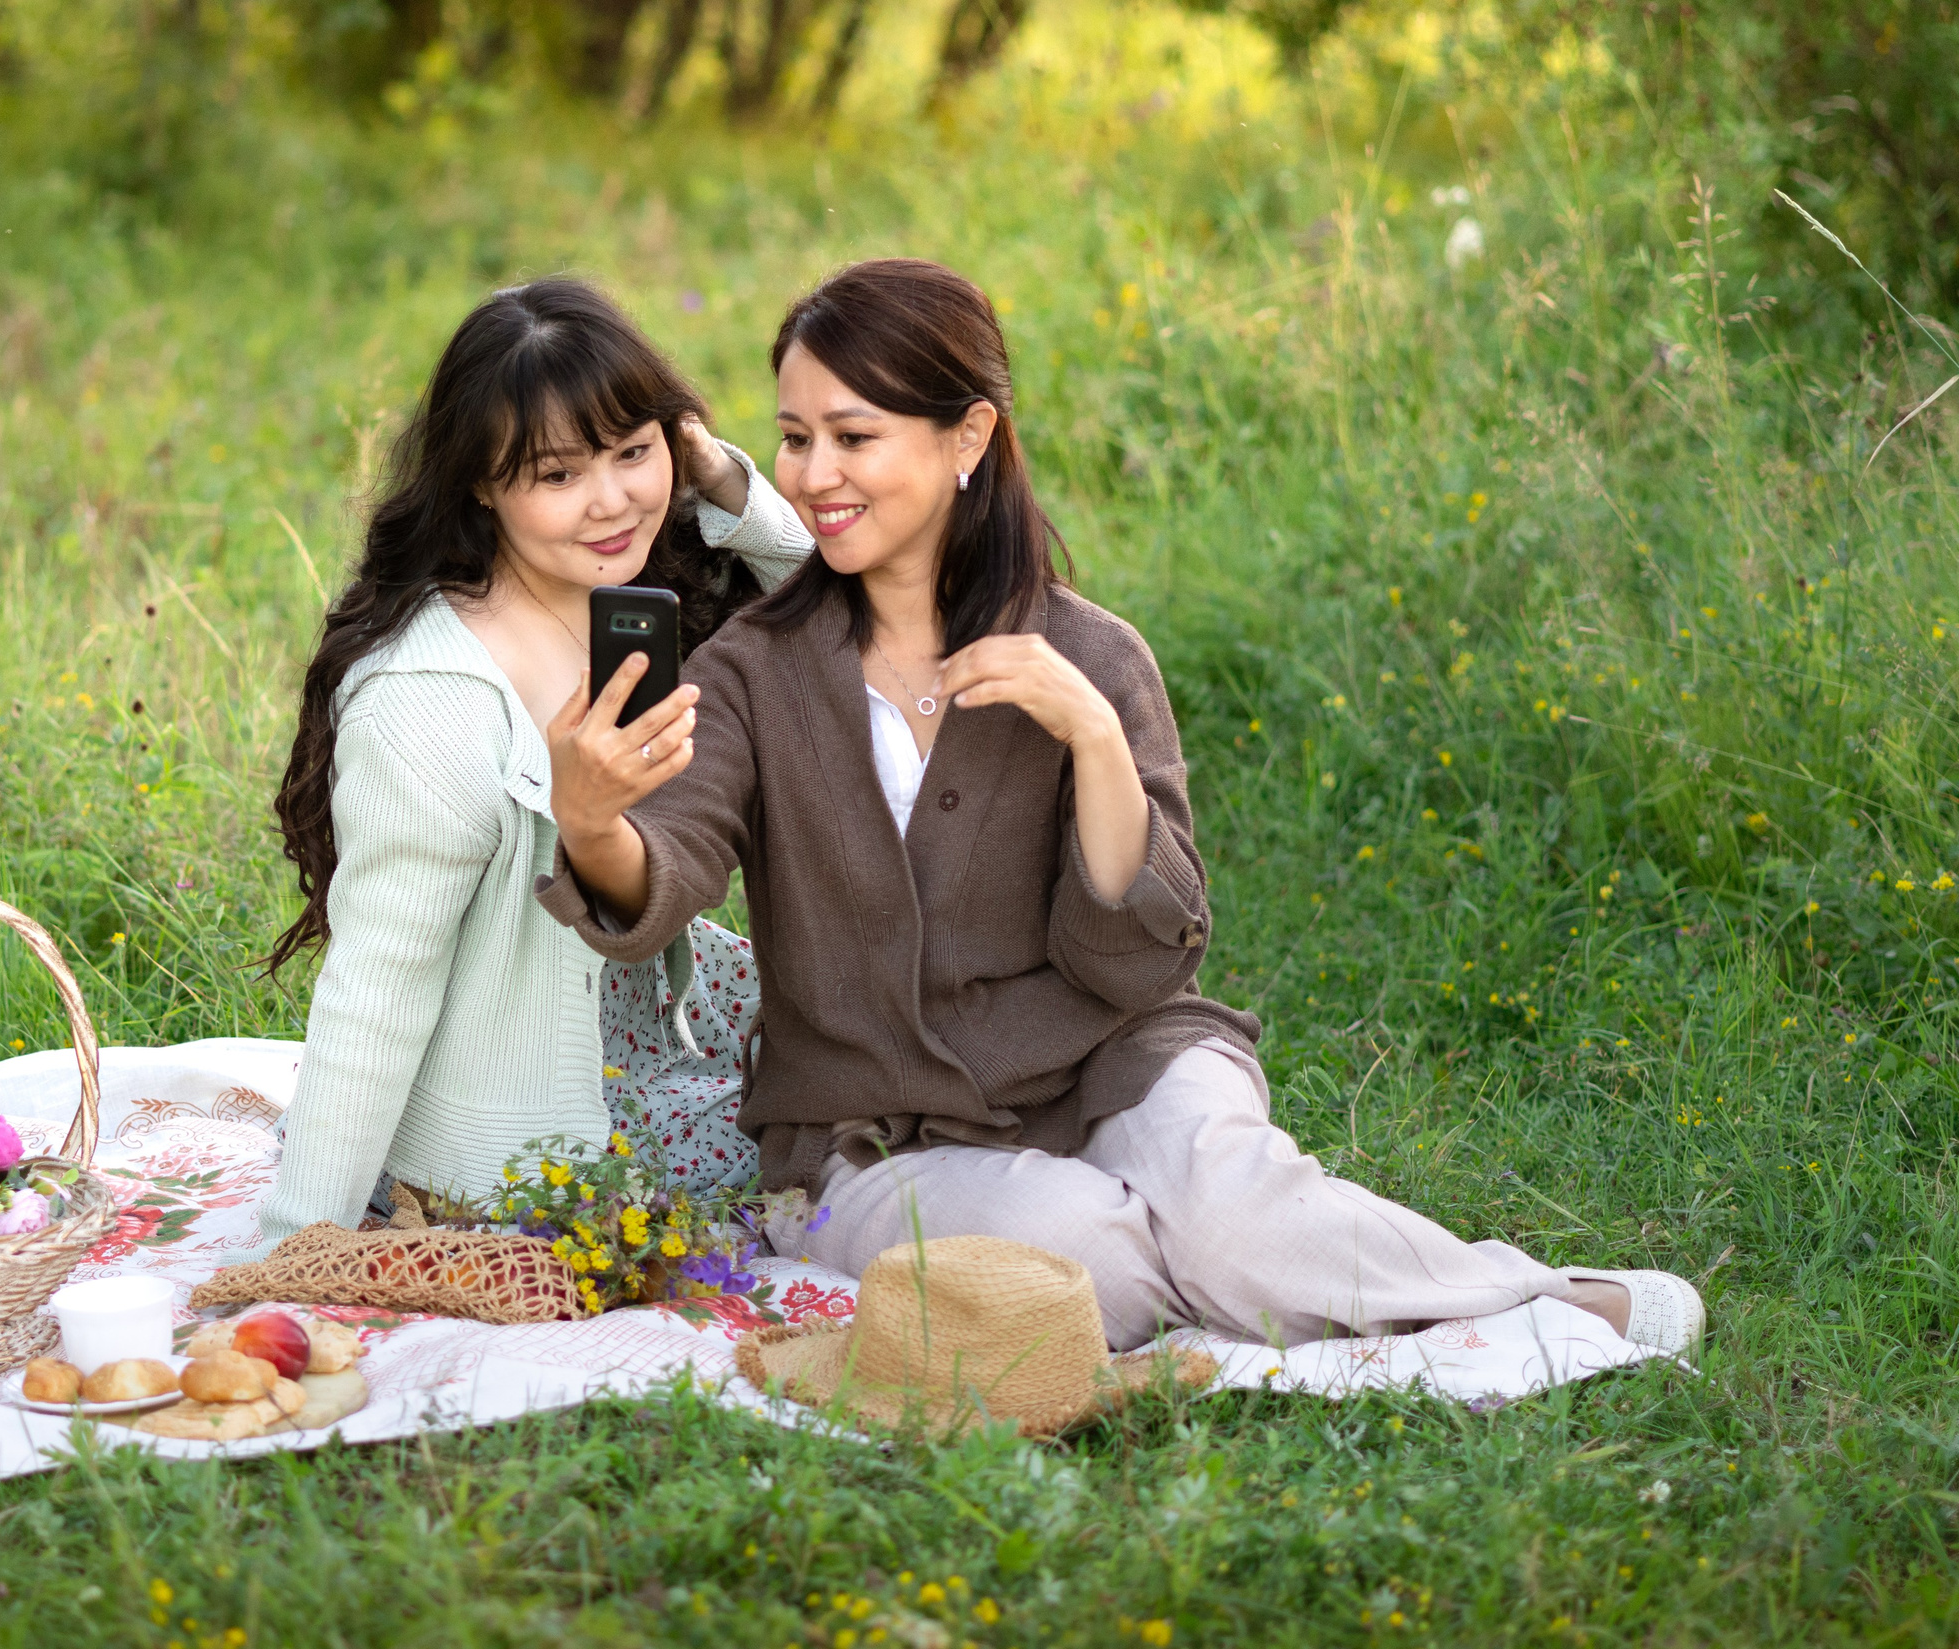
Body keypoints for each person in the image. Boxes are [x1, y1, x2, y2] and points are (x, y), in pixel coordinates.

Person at [537, 258, 1704, 1355]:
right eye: (793, 438)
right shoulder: (751, 668)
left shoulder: (1093, 653)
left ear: (969, 438)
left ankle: (1544, 1299)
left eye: (853, 437)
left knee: (1225, 1216)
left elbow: (1140, 965)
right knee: (1089, 1254)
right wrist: (594, 820)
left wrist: (1093, 736)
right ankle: (1242, 1260)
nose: (810, 476)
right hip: (868, 1136)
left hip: (1116, 1061)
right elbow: (672, 860)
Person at [254, 277, 814, 1256]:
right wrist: (294, 1244)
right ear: (480, 481)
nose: (611, 502)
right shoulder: (431, 694)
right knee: (857, 1165)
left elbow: (847, 613)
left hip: (653, 1028)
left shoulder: (636, 595)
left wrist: (721, 480)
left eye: (632, 454)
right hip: (535, 1120)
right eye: (557, 476)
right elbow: (379, 983)